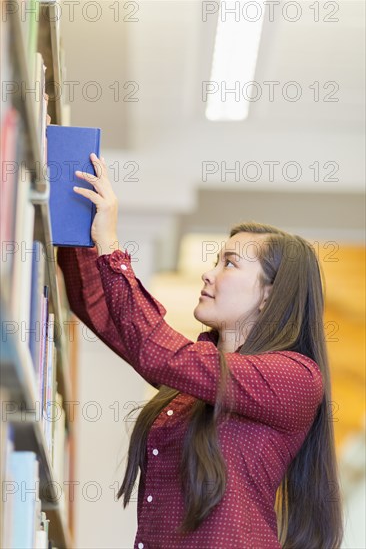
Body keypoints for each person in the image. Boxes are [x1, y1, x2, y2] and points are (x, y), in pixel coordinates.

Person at [57, 153, 344, 548]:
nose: (208, 273)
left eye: (229, 264)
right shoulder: (191, 383)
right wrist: (69, 200)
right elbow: (98, 307)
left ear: (269, 295)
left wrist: (112, 246)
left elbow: (158, 349)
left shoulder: (295, 377)